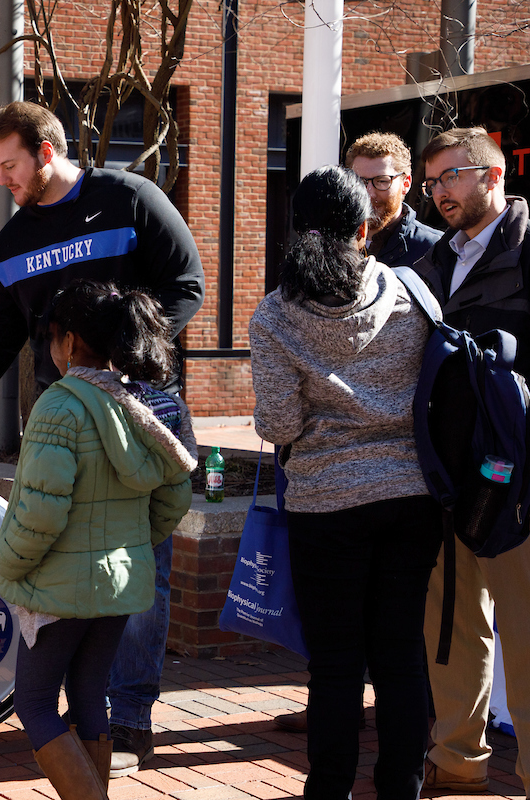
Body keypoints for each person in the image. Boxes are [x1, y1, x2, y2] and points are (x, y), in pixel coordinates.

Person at [0, 100, 204, 774]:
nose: (4, 180)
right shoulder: (12, 245)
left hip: (143, 407)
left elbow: (188, 286)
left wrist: (132, 357)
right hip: (63, 417)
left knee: (143, 563)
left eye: (9, 166)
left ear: (44, 150)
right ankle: (89, 710)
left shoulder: (130, 199)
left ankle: (127, 718)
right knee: (75, 555)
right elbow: (0, 337)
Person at [250, 165, 440, 800]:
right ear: (366, 228)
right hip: (411, 498)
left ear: (295, 230)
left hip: (325, 505)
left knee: (334, 667)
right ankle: (401, 789)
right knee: (401, 660)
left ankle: (328, 790)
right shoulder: (411, 294)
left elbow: (278, 424)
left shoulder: (276, 316)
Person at [0, 279, 196, 800]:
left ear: (68, 339)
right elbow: (174, 496)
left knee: (34, 702)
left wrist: (10, 566)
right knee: (89, 695)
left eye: (49, 338)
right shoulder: (143, 405)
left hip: (59, 588)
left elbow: (39, 510)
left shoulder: (59, 407)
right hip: (119, 584)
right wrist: (131, 543)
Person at [411, 126, 530, 796]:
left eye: (452, 176)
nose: (440, 193)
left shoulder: (526, 246)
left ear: (493, 174)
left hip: (518, 485)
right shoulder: (435, 260)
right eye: (432, 182)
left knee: (526, 634)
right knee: (452, 628)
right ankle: (457, 763)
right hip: (448, 483)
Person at [346, 131, 441, 266]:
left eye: (382, 181)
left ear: (406, 184)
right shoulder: (333, 244)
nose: (369, 193)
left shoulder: (435, 249)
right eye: (360, 181)